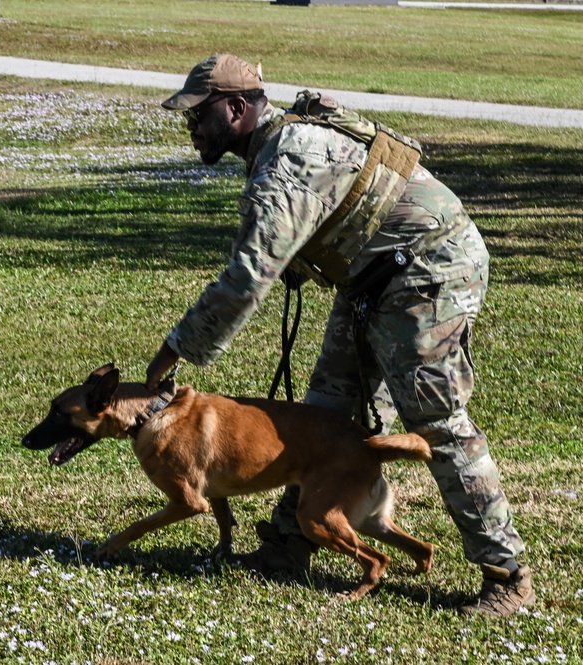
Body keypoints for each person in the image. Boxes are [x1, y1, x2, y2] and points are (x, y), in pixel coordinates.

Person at [145, 54, 534, 617]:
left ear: (235, 109)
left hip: (430, 268)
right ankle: (288, 545)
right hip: (372, 276)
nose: (192, 128)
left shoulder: (284, 164)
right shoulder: (282, 147)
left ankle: (507, 575)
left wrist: (177, 347)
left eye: (198, 116)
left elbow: (249, 276)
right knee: (327, 407)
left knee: (437, 421)